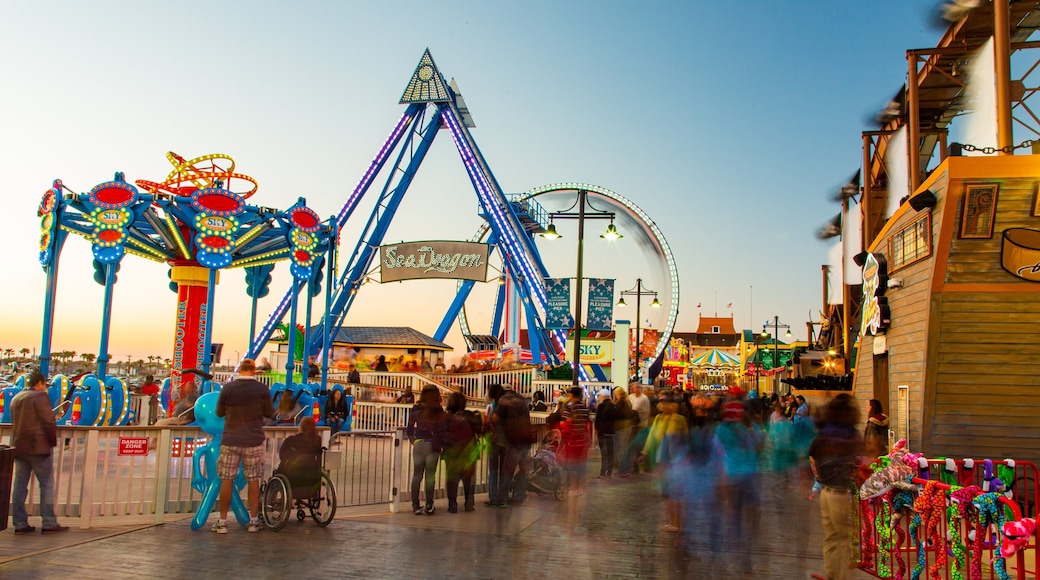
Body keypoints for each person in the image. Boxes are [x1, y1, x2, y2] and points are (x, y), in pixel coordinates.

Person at [213, 358, 275, 534]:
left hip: (231, 439)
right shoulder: (262, 389)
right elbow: (270, 413)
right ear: (254, 370)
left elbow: (219, 412)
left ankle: (222, 522)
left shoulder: (228, 388)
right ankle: (253, 521)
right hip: (253, 440)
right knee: (253, 479)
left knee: (227, 479)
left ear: (240, 370)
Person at [808, 394, 863, 580]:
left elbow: (812, 456)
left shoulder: (825, 433)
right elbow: (857, 461)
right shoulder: (850, 435)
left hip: (825, 491)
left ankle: (832, 575)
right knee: (845, 539)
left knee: (831, 537)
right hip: (841, 493)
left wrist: (819, 477)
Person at [10, 369, 69, 535]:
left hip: (20, 446)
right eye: (44, 384)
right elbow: (49, 421)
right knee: (46, 484)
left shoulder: (17, 398)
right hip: (38, 446)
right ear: (39, 383)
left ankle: (20, 523)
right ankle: (49, 522)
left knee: (20, 485)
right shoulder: (40, 397)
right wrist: (51, 442)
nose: (45, 388)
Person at [485, 383, 535, 507]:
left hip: (515, 440)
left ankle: (502, 499)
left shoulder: (505, 400)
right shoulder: (522, 399)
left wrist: (495, 427)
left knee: (508, 471)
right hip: (527, 438)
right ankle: (520, 497)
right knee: (523, 470)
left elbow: (494, 418)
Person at [406, 385, 449, 515]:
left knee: (417, 475)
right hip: (432, 445)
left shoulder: (417, 407)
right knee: (430, 476)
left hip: (419, 444)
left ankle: (415, 505)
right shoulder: (437, 409)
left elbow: (409, 428)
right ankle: (429, 504)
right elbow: (442, 429)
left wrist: (413, 440)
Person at [443, 392, 483, 513]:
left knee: (452, 480)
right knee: (469, 479)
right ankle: (469, 504)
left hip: (452, 451)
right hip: (469, 451)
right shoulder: (470, 415)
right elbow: (479, 431)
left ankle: (452, 505)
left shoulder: (446, 417)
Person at [559, 386, 592, 494]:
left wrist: (562, 424)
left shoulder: (569, 408)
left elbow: (565, 423)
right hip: (582, 441)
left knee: (571, 465)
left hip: (571, 440)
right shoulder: (584, 408)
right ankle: (579, 487)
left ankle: (573, 488)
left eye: (569, 393)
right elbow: (586, 424)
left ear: (572, 395)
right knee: (580, 464)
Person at [275, 416, 323, 489]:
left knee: (278, 468)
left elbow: (282, 456)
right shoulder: (317, 440)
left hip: (292, 475)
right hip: (311, 475)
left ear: (301, 427)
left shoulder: (291, 440)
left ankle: (272, 491)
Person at [593, 389, 618, 478]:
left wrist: (597, 429)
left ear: (603, 396)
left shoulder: (601, 406)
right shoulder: (613, 406)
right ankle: (609, 472)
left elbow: (598, 419)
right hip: (611, 431)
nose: (599, 397)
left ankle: (603, 472)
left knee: (604, 453)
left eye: (599, 396)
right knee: (610, 452)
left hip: (603, 432)